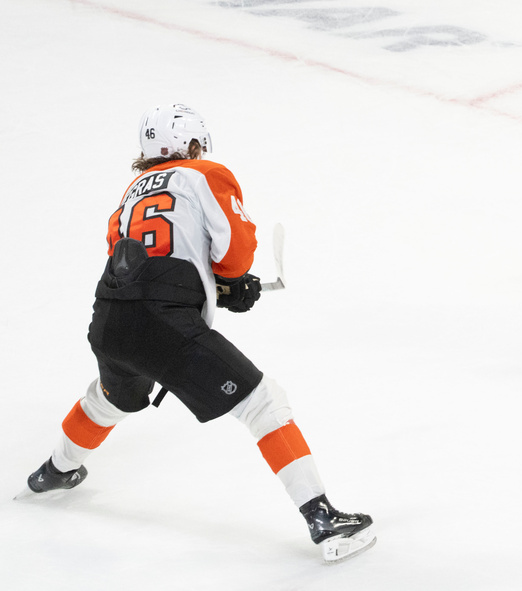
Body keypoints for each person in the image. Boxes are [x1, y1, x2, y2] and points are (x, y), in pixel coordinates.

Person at [21, 104, 375, 563]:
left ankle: (54, 471)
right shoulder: (204, 173)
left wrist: (207, 287)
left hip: (109, 316)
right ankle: (323, 519)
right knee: (264, 403)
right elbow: (234, 250)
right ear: (192, 143)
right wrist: (230, 280)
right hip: (162, 319)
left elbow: (131, 252)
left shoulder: (129, 193)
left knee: (109, 398)